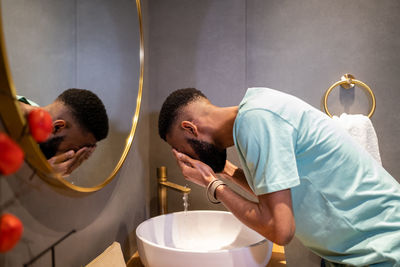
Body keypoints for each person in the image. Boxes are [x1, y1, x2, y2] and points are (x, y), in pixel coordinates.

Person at [158, 87, 400, 266]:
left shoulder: (256, 121)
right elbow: (277, 198)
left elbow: (280, 230)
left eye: (181, 149)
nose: (185, 156)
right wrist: (225, 172)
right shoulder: (256, 113)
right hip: (368, 250)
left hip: (386, 247)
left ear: (190, 128)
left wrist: (213, 185)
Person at [18, 88, 109, 176]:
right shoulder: (6, 121)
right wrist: (39, 175)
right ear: (57, 127)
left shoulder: (40, 135)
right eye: (74, 149)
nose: (72, 156)